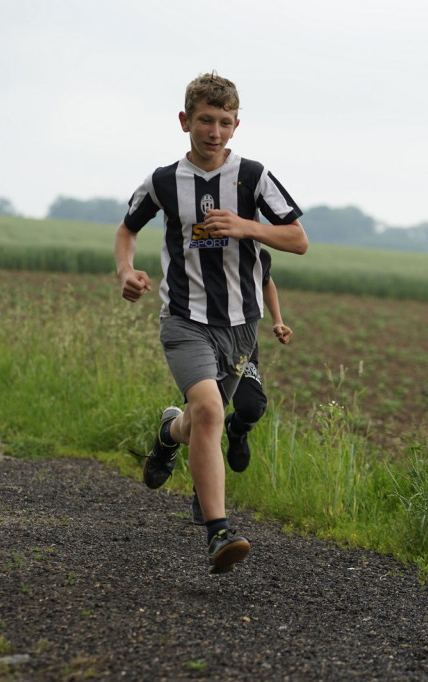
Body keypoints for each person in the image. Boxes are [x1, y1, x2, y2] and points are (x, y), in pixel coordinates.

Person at [114, 72, 308, 574]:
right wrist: (126, 271)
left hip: (241, 325)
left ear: (236, 125)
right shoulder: (162, 181)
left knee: (203, 419)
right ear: (185, 121)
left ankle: (166, 432)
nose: (214, 131)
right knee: (207, 410)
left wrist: (246, 226)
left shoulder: (253, 177)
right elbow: (126, 230)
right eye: (205, 120)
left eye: (224, 122)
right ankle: (219, 532)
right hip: (183, 318)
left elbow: (298, 239)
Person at [189, 248, 292, 524]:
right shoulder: (199, 249)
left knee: (252, 406)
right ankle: (202, 494)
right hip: (203, 343)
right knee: (205, 418)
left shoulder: (258, 254)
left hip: (242, 345)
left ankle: (237, 430)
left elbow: (266, 281)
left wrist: (278, 321)